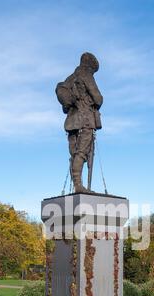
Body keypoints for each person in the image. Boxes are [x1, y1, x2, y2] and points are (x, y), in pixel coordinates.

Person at [56, 52, 103, 193]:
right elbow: (98, 98)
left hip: (71, 122)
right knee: (82, 153)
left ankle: (77, 184)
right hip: (85, 120)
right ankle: (78, 187)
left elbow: (66, 106)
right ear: (90, 66)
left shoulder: (70, 78)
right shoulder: (85, 75)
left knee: (75, 154)